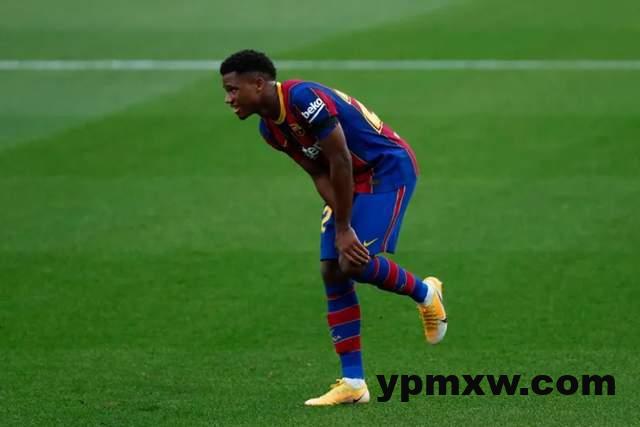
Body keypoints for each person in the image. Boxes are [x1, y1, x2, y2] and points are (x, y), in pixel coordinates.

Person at [219, 49, 447, 406]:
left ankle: (426, 293)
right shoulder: (270, 130)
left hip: (385, 169)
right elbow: (319, 172)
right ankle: (354, 384)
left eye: (233, 90)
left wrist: (343, 228)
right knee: (332, 269)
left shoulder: (302, 98)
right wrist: (341, 218)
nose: (228, 99)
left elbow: (340, 158)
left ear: (258, 84)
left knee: (352, 262)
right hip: (349, 179)